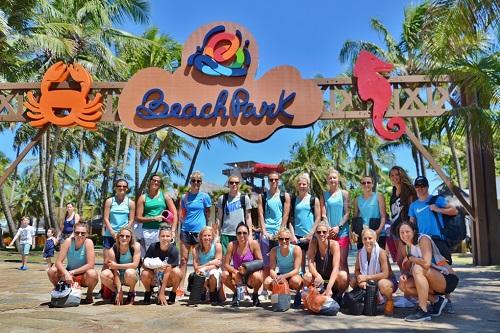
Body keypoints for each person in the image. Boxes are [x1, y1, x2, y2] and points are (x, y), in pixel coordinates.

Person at [398, 222, 459, 322]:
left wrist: (410, 258)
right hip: (431, 282)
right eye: (402, 232)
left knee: (418, 267)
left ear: (414, 231)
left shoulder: (423, 239)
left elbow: (426, 264)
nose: (405, 235)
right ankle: (437, 300)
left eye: (407, 231)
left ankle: (423, 310)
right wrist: (404, 274)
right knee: (403, 285)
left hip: (447, 279)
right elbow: (409, 270)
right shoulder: (405, 248)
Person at [409, 176, 458, 264]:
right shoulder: (413, 205)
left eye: (422, 185)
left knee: (445, 268)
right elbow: (411, 224)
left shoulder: (437, 199)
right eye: (417, 186)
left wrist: (438, 209)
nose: (420, 188)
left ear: (427, 187)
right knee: (427, 267)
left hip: (438, 239)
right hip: (423, 242)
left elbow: (454, 211)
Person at [178, 171, 212, 297]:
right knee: (183, 260)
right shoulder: (184, 197)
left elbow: (208, 212)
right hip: (186, 230)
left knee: (199, 260)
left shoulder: (204, 197)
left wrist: (205, 227)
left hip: (199, 232)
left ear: (201, 182)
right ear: (190, 182)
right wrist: (184, 222)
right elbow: (182, 213)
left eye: (198, 181)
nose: (196, 183)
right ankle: (180, 288)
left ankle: (200, 287)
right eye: (194, 180)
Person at [47, 222, 98, 304]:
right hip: (69, 274)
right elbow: (58, 262)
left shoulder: (88, 242)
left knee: (93, 274)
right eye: (77, 233)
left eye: (83, 233)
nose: (80, 235)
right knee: (51, 271)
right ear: (74, 233)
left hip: (83, 275)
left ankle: (89, 294)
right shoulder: (68, 241)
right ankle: (60, 290)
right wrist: (66, 273)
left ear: (87, 234)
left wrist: (72, 272)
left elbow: (90, 265)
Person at [257, 171, 291, 291]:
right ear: (268, 181)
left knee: (281, 262)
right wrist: (264, 231)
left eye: (276, 179)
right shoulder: (262, 197)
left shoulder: (285, 196)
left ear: (279, 180)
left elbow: (286, 215)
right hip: (267, 232)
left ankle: (280, 288)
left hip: (280, 234)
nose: (273, 182)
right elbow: (260, 214)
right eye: (271, 179)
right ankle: (265, 289)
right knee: (266, 263)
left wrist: (281, 231)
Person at [351, 228, 397, 315]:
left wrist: (366, 278)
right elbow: (357, 270)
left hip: (388, 281)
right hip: (370, 281)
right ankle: (367, 299)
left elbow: (385, 274)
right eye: (365, 238)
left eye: (370, 238)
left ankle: (390, 301)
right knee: (353, 281)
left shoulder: (381, 252)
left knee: (382, 284)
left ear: (375, 238)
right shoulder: (360, 252)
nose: (367, 241)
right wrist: (360, 278)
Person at [303, 221, 348, 303]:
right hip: (319, 279)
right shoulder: (313, 244)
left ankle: (339, 295)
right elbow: (310, 264)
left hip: (332, 279)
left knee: (343, 276)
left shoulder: (334, 245)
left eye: (324, 232)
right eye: (319, 232)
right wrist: (317, 275)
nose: (321, 234)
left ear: (328, 233)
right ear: (315, 234)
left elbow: (336, 268)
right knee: (307, 276)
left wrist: (328, 288)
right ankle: (308, 297)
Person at [221, 222, 263, 306]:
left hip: (250, 274)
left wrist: (247, 269)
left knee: (258, 276)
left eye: (244, 233)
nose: (242, 235)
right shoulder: (232, 245)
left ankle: (255, 294)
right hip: (237, 274)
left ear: (248, 234)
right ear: (236, 235)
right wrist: (235, 272)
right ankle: (236, 293)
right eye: (239, 233)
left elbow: (261, 262)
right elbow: (226, 264)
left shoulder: (253, 244)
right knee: (224, 275)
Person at [140, 225, 182, 305]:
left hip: (167, 277)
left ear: (171, 237)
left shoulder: (174, 250)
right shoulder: (153, 247)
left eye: (167, 236)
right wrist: (156, 265)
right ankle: (148, 292)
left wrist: (162, 292)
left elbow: (167, 272)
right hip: (155, 277)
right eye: (162, 236)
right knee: (144, 273)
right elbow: (144, 264)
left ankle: (173, 294)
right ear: (158, 237)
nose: (165, 238)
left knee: (177, 272)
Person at [100, 227, 141, 305]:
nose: (124, 238)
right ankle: (115, 292)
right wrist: (120, 290)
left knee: (130, 272)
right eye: (121, 236)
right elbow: (115, 271)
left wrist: (116, 265)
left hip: (130, 275)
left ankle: (131, 292)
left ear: (131, 238)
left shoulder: (136, 246)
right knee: (104, 274)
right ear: (118, 237)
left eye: (127, 236)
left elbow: (135, 265)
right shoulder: (112, 250)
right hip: (118, 275)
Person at [136, 174, 178, 251]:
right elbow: (138, 218)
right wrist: (154, 218)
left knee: (161, 257)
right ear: (150, 182)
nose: (156, 182)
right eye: (154, 180)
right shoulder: (143, 198)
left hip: (161, 231)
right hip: (146, 231)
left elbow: (175, 214)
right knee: (146, 258)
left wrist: (173, 231)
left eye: (158, 181)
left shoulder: (165, 196)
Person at [263, 227, 303, 306]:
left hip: (294, 275)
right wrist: (274, 274)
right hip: (281, 274)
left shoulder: (296, 249)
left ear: (290, 239)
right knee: (267, 282)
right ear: (278, 239)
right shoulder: (274, 250)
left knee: (295, 281)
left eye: (287, 239)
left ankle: (298, 293)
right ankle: (276, 298)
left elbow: (296, 270)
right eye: (281, 239)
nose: (284, 241)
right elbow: (272, 269)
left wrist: (283, 277)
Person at [289, 173, 320, 272]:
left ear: (308, 185)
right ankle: (301, 285)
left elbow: (318, 217)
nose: (302, 186)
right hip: (297, 237)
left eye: (304, 184)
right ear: (297, 186)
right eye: (300, 184)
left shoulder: (313, 200)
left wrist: (311, 234)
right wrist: (292, 235)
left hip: (311, 236)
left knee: (312, 264)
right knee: (300, 266)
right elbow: (290, 220)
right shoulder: (293, 200)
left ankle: (312, 284)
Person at [320, 169, 350, 273]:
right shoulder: (324, 195)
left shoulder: (344, 194)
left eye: (334, 177)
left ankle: (345, 287)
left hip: (342, 232)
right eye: (330, 178)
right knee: (331, 262)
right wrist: (328, 228)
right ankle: (333, 287)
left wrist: (338, 227)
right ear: (327, 180)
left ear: (338, 179)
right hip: (329, 233)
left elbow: (347, 213)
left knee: (342, 261)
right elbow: (323, 214)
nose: (332, 180)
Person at [102, 179, 135, 271]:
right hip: (110, 235)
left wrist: (123, 233)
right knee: (106, 262)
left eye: (124, 186)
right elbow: (105, 218)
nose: (122, 188)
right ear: (115, 188)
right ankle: (104, 285)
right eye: (119, 186)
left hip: (124, 237)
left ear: (127, 188)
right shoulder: (109, 201)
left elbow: (131, 220)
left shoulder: (131, 203)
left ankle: (120, 282)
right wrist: (112, 232)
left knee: (119, 263)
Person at [214, 175, 252, 254]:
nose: (234, 184)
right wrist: (217, 234)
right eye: (232, 182)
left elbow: (248, 217)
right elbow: (219, 218)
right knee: (225, 260)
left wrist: (250, 234)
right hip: (226, 233)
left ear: (239, 184)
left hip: (241, 234)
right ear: (228, 184)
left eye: (236, 182)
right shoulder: (222, 198)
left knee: (241, 260)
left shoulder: (244, 198)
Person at [388, 166, 416, 267]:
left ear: (402, 175)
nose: (394, 177)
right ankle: (406, 280)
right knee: (400, 261)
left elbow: (412, 211)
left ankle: (409, 281)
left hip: (405, 231)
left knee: (403, 260)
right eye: (392, 175)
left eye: (397, 175)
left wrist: (411, 229)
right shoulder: (393, 193)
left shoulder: (408, 190)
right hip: (396, 231)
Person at [353, 176, 387, 249]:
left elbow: (383, 216)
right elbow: (355, 218)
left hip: (377, 232)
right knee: (363, 259)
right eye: (363, 183)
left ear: (372, 184)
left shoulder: (379, 197)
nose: (366, 184)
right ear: (361, 185)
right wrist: (353, 232)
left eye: (368, 182)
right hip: (363, 234)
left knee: (380, 258)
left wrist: (378, 231)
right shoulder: (357, 200)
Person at [192, 226, 223, 305]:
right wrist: (209, 263)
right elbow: (196, 268)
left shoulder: (217, 246)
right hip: (203, 270)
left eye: (209, 235)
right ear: (201, 237)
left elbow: (218, 265)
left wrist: (205, 267)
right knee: (200, 273)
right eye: (204, 235)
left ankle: (213, 296)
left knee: (213, 273)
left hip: (213, 269)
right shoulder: (196, 249)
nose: (207, 238)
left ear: (212, 237)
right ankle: (202, 293)